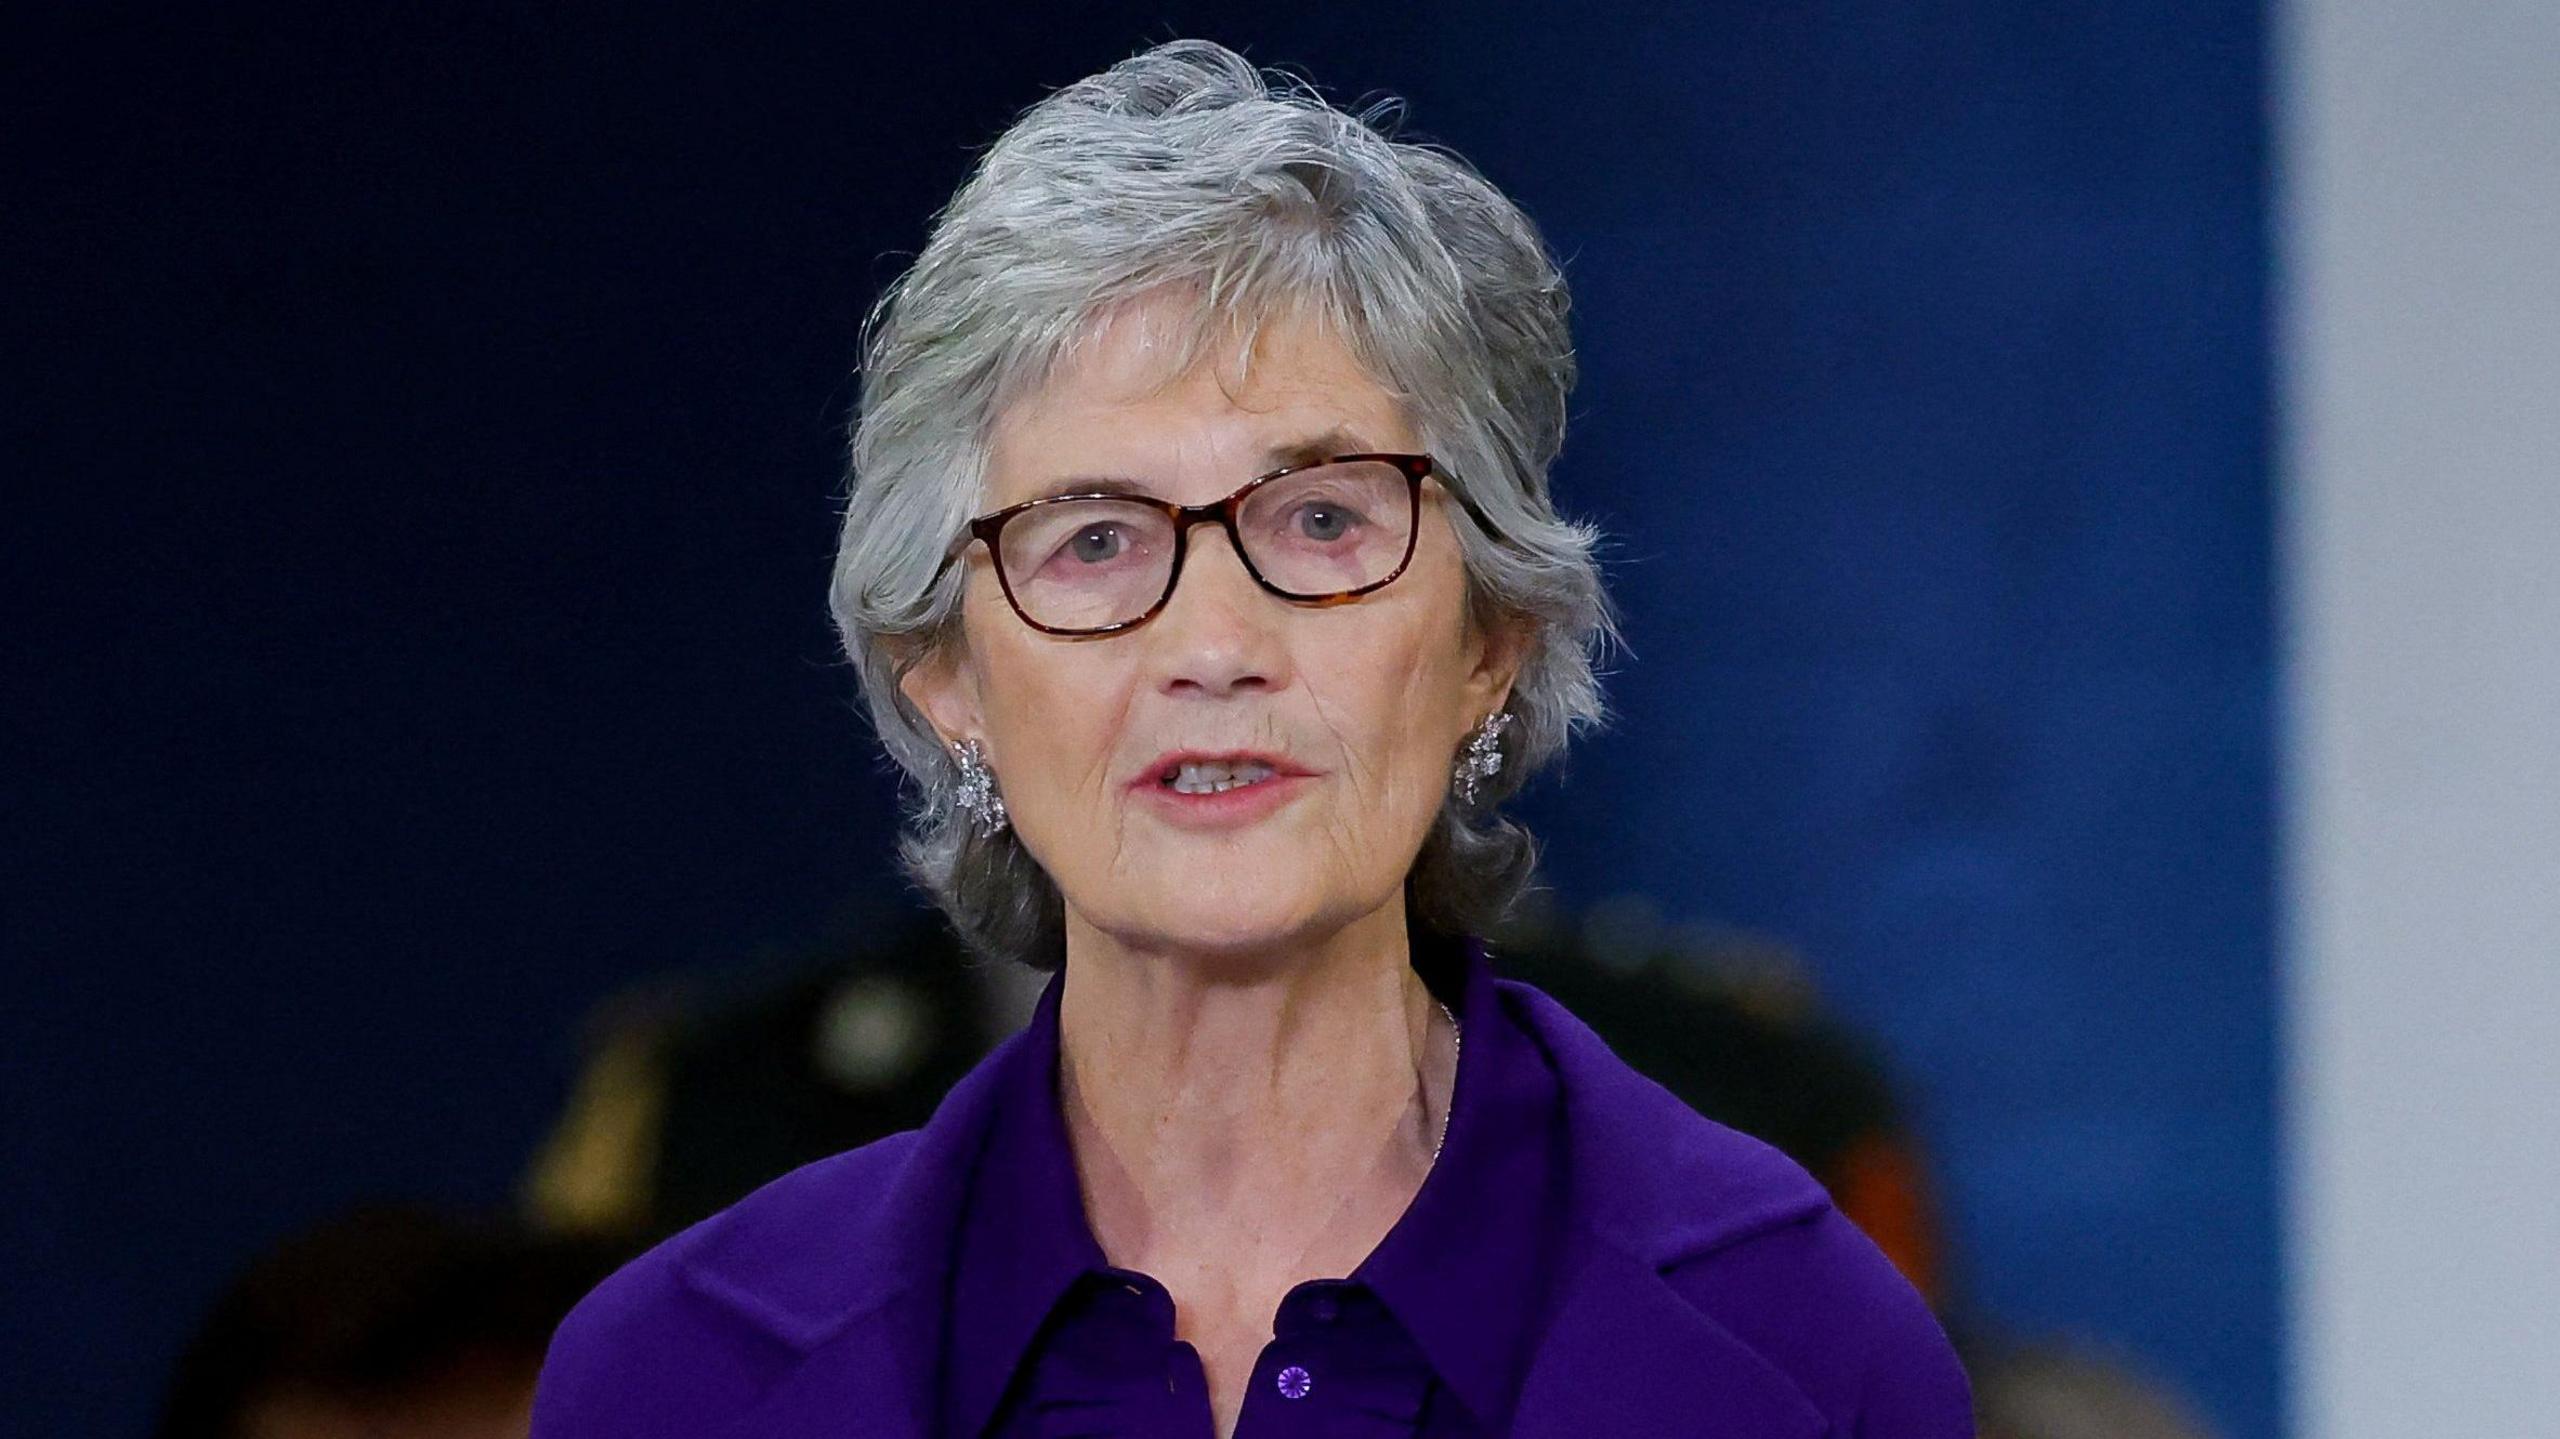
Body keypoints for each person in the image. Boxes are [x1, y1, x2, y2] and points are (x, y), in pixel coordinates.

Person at [532, 39, 1970, 1438]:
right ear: (945, 679)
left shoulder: (1797, 1350)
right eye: (1092, 540)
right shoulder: (683, 1379)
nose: (1214, 647)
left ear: (1490, 641)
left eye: (1325, 521)